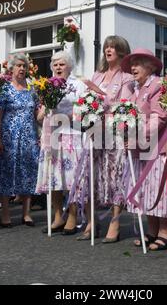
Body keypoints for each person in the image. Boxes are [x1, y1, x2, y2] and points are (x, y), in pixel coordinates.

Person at [69, 35, 132, 242]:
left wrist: (100, 97)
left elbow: (123, 104)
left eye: (113, 47)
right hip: (94, 132)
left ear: (122, 51)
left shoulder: (127, 77)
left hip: (114, 133)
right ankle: (91, 221)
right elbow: (87, 100)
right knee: (90, 176)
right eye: (106, 46)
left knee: (115, 176)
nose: (108, 49)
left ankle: (114, 224)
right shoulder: (97, 75)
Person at [121, 48, 167, 250]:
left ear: (150, 67)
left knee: (157, 190)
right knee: (145, 191)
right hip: (138, 149)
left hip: (156, 147)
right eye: (132, 64)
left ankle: (165, 231)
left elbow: (159, 117)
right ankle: (151, 230)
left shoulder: (157, 85)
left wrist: (136, 137)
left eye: (139, 63)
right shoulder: (135, 88)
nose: (134, 67)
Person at [36, 51, 86, 234]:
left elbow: (84, 109)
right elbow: (40, 116)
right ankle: (58, 217)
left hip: (71, 134)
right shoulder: (46, 85)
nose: (58, 67)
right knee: (53, 178)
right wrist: (45, 109)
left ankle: (72, 216)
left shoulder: (78, 84)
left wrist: (67, 116)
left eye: (62, 64)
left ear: (70, 66)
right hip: (51, 136)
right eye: (55, 64)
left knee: (71, 179)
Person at [0, 53, 41, 227]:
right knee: (8, 172)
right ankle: (5, 213)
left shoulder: (32, 89)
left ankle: (26, 213)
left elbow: (37, 115)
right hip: (9, 137)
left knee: (28, 172)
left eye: (24, 66)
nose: (22, 69)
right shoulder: (4, 89)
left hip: (29, 137)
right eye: (18, 65)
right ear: (11, 68)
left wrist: (50, 106)